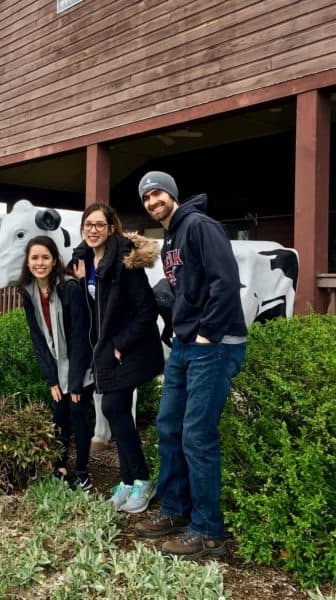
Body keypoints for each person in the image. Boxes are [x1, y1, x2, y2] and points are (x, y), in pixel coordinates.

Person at [136, 171, 247, 559]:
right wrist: (178, 332)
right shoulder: (170, 236)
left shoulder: (199, 225)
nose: (153, 201)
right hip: (186, 345)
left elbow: (225, 282)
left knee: (197, 434)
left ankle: (208, 531)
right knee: (169, 426)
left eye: (158, 193)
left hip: (213, 344)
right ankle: (175, 510)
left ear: (172, 194)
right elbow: (182, 290)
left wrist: (206, 333)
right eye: (146, 197)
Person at [72, 203, 164, 512]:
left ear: (112, 228)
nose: (93, 229)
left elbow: (147, 310)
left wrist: (120, 345)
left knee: (113, 406)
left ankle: (142, 480)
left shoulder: (125, 261)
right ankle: (128, 481)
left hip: (129, 348)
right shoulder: (85, 260)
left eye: (99, 224)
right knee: (116, 409)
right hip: (106, 348)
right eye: (88, 224)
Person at [20, 236, 94, 490]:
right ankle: (61, 465)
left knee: (78, 415)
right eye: (34, 258)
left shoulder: (69, 288)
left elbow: (80, 337)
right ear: (28, 262)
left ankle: (83, 471)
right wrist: (52, 378)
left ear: (54, 261)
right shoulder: (28, 292)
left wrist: (73, 382)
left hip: (79, 365)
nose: (40, 263)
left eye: (45, 257)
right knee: (59, 416)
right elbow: (37, 339)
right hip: (56, 363)